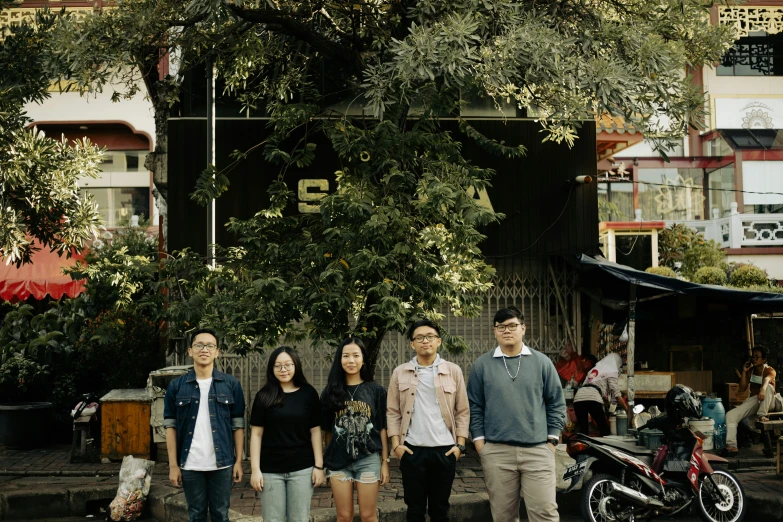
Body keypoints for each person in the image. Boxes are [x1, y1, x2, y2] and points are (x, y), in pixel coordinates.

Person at [467, 307, 566, 522]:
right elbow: (475, 406)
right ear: (495, 331)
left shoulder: (542, 363)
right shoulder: (482, 365)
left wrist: (552, 439)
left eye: (512, 326)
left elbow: (556, 402)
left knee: (545, 513)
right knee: (503, 516)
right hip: (496, 452)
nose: (506, 331)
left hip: (538, 450)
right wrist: (480, 443)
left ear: (523, 328)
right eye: (501, 327)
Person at [387, 319, 470, 522]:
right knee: (414, 509)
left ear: (439, 341)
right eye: (420, 338)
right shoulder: (400, 372)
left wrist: (460, 445)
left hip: (445, 450)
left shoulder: (453, 370)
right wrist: (396, 445)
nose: (425, 341)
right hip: (412, 450)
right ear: (412, 344)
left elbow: (462, 411)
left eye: (430, 337)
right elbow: (392, 411)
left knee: (440, 509)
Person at [163, 328, 246, 522]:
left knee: (220, 514)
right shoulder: (176, 386)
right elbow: (170, 428)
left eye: (210, 346)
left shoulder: (231, 385)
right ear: (190, 351)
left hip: (223, 463)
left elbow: (238, 426)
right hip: (190, 464)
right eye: (199, 345)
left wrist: (239, 462)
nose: (204, 350)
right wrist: (173, 465)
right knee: (196, 515)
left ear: (217, 352)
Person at [248, 346, 324, 522]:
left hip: (302, 469)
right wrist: (255, 470)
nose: (283, 370)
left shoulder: (308, 393)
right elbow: (256, 435)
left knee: (299, 519)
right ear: (271, 369)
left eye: (288, 365)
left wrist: (319, 466)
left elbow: (315, 431)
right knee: (272, 519)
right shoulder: (264, 396)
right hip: (270, 471)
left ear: (296, 365)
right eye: (278, 366)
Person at [321, 338, 390, 522]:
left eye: (356, 355)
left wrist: (384, 461)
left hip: (368, 460)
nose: (351, 360)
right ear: (339, 360)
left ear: (363, 360)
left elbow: (382, 428)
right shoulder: (330, 392)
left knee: (368, 516)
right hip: (338, 462)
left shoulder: (376, 391)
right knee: (344, 516)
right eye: (346, 356)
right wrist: (327, 462)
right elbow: (328, 431)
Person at [725, 345, 779, 455]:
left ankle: (762, 415)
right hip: (756, 400)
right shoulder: (751, 371)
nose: (753, 359)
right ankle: (732, 446)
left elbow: (767, 380)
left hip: (770, 402)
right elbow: (742, 388)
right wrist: (744, 372)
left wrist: (762, 390)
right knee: (731, 415)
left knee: (768, 387)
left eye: (757, 357)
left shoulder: (769, 370)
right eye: (753, 357)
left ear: (764, 359)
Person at [573, 353, 628, 436]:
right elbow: (617, 394)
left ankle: (583, 448)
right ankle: (603, 448)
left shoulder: (594, 369)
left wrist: (606, 402)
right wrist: (627, 410)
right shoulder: (611, 370)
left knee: (583, 430)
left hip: (578, 398)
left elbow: (589, 385)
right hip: (592, 398)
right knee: (604, 429)